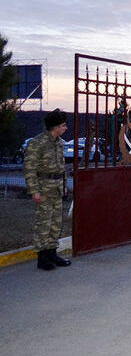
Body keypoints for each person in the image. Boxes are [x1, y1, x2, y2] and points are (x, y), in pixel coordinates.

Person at [24, 109, 72, 271]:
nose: (65, 128)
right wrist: (34, 191)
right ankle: (42, 257)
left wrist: (64, 186)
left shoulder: (59, 143)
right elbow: (29, 169)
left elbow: (61, 167)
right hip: (43, 189)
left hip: (57, 188)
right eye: (63, 125)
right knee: (43, 223)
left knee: (55, 223)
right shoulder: (37, 143)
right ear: (55, 127)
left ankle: (52, 253)